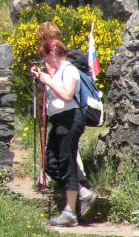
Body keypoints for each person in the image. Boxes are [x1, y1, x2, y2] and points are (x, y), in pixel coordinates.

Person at [31, 39, 96, 227]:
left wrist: (49, 81)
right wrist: (44, 78)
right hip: (60, 121)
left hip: (70, 120)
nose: (44, 60)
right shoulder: (59, 72)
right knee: (51, 163)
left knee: (67, 162)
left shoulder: (70, 70)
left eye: (44, 56)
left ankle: (70, 212)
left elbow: (67, 95)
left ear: (52, 53)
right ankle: (83, 193)